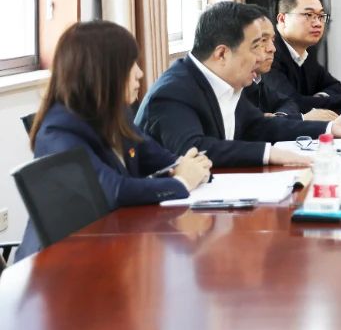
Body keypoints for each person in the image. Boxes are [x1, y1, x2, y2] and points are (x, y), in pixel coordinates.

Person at [15, 21, 212, 261]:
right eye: (131, 64)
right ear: (103, 72)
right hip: (59, 262)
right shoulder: (59, 131)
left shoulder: (116, 114)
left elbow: (161, 158)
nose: (140, 73)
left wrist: (189, 166)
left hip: (110, 245)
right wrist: (182, 181)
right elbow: (113, 191)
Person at [136, 1, 341, 168]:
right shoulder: (173, 93)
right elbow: (194, 149)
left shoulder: (226, 82)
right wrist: (270, 153)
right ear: (222, 54)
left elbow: (258, 126)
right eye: (256, 46)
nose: (262, 56)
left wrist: (330, 129)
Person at [242, 13, 307, 120]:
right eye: (263, 40)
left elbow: (288, 102)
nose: (273, 49)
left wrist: (278, 117)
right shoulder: (230, 87)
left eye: (272, 40)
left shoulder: (256, 80)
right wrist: (303, 118)